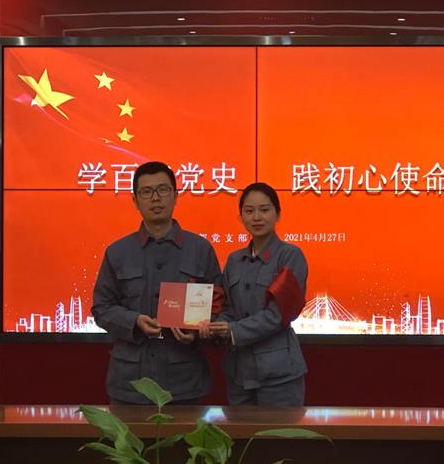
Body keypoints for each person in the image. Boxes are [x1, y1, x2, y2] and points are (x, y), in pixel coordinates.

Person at [92, 161, 223, 404]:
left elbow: (219, 304)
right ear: (135, 200)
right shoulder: (117, 252)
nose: (155, 198)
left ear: (175, 195)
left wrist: (197, 331)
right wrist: (134, 321)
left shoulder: (200, 249)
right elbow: (101, 308)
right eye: (146, 192)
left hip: (184, 381)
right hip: (130, 383)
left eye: (163, 190)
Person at [203, 182, 308, 406]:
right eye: (249, 211)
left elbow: (279, 314)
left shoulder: (290, 256)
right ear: (241, 216)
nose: (257, 217)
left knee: (278, 430)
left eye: (264, 209)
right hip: (238, 373)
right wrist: (213, 325)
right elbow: (229, 308)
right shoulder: (234, 260)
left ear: (277, 214)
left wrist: (233, 330)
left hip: (279, 373)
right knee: (240, 430)